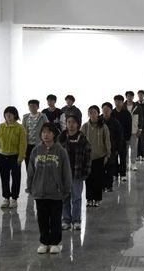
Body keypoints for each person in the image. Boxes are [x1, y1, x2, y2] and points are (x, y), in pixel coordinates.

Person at [28, 123, 72, 254]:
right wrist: (30, 187)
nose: (46, 135)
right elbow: (31, 171)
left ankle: (55, 243)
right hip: (40, 192)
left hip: (56, 193)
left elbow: (66, 172)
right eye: (43, 132)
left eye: (48, 132)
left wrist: (66, 189)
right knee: (42, 218)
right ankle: (44, 242)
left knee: (55, 218)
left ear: (54, 134)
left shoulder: (61, 151)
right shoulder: (36, 151)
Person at [59, 115, 92, 231]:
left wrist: (86, 172)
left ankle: (76, 220)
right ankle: (66, 220)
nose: (71, 124)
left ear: (78, 124)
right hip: (64, 174)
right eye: (68, 122)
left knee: (76, 198)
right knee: (65, 198)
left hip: (77, 174)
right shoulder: (61, 138)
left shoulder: (83, 139)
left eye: (73, 122)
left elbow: (88, 157)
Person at [0, 106, 27, 209]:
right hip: (2, 156)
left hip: (15, 157)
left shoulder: (20, 128)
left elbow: (23, 144)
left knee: (16, 178)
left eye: (11, 114)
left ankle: (14, 199)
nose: (8, 116)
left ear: (15, 115)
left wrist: (20, 158)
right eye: (6, 114)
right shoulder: (1, 127)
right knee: (4, 178)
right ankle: (6, 198)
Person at [80, 105, 111, 207]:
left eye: (94, 112)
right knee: (88, 179)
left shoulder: (103, 127)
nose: (92, 114)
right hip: (87, 158)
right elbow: (81, 141)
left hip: (99, 157)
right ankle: (89, 199)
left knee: (98, 179)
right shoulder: (85, 126)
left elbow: (107, 141)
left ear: (98, 114)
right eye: (90, 112)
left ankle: (97, 198)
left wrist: (107, 154)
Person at [22, 99, 47, 192]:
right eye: (30, 106)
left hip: (39, 145)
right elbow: (23, 131)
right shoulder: (25, 117)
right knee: (28, 166)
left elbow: (47, 128)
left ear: (38, 107)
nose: (32, 108)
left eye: (34, 106)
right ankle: (30, 186)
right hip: (27, 146)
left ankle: (40, 185)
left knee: (39, 165)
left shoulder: (43, 117)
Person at [101, 102, 124, 191]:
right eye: (104, 109)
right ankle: (102, 186)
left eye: (108, 109)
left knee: (110, 167)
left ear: (111, 111)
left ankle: (109, 186)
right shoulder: (99, 121)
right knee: (101, 167)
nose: (106, 111)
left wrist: (118, 149)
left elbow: (119, 137)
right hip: (100, 148)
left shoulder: (115, 122)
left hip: (112, 148)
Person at [111, 95, 132, 182]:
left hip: (123, 139)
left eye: (119, 101)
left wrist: (128, 138)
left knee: (123, 157)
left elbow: (129, 126)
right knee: (114, 157)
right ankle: (115, 174)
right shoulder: (112, 113)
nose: (117, 103)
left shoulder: (126, 113)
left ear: (122, 102)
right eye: (116, 101)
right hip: (113, 139)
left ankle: (123, 174)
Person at [124, 91, 142, 170]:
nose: (129, 98)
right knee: (125, 149)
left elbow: (141, 119)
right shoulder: (123, 106)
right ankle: (126, 164)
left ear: (133, 97)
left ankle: (133, 164)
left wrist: (140, 129)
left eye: (131, 96)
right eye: (128, 96)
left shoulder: (137, 107)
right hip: (125, 132)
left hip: (134, 131)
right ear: (126, 97)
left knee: (134, 148)